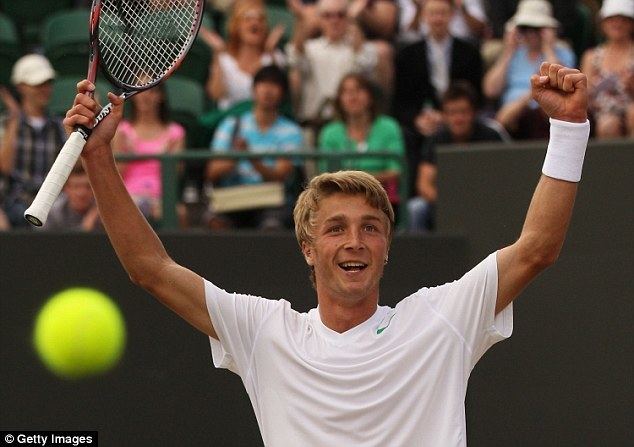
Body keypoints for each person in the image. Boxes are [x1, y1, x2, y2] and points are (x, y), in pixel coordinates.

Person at [65, 62, 590, 445]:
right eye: (336, 229)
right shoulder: (266, 332)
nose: (355, 242)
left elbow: (537, 250)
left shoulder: (439, 319)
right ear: (308, 250)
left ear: (387, 248)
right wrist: (99, 158)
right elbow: (150, 270)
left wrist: (568, 129)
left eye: (370, 228)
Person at [205, 65, 303, 230]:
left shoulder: (291, 131)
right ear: (253, 89)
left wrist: (251, 158)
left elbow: (280, 175)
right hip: (233, 198)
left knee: (272, 226)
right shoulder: (231, 125)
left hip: (271, 202)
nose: (268, 90)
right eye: (263, 83)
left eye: (274, 85)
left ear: (283, 93)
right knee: (215, 222)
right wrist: (236, 156)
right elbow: (212, 172)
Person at [407, 81, 509, 232]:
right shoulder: (436, 140)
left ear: (474, 112)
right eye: (452, 113)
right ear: (444, 115)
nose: (458, 118)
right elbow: (424, 185)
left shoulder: (491, 136)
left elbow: (505, 176)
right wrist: (449, 203)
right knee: (416, 208)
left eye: (463, 112)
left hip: (487, 202)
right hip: (443, 203)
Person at [285, 0, 389, 139]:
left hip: (350, 127)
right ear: (319, 19)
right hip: (315, 124)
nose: (334, 21)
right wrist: (301, 20)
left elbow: (365, 62)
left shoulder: (358, 49)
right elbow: (295, 59)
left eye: (341, 15)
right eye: (327, 16)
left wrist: (353, 21)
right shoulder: (311, 49)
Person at [483, 0, 576, 138]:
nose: (531, 34)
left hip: (547, 112)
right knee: (505, 116)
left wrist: (548, 48)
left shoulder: (562, 52)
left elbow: (562, 86)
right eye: (525, 28)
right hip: (513, 115)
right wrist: (508, 51)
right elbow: (490, 91)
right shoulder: (511, 53)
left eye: (537, 29)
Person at [318, 73, 405, 213]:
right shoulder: (330, 132)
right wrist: (368, 178)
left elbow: (395, 171)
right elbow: (327, 175)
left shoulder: (389, 127)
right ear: (339, 100)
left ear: (370, 96)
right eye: (346, 92)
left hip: (382, 199)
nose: (353, 96)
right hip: (340, 200)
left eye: (358, 90)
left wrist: (353, 180)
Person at [0, 55, 65, 228]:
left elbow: (77, 168)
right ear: (21, 87)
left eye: (47, 83)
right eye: (38, 84)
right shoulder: (6, 123)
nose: (45, 89)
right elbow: (4, 167)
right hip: (14, 200)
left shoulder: (59, 126)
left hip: (53, 200)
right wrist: (14, 119)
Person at [112, 83, 185, 222]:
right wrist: (128, 154)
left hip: (161, 200)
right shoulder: (121, 131)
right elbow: (116, 175)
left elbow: (175, 175)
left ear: (161, 96)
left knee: (180, 213)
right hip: (128, 198)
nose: (145, 96)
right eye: (140, 90)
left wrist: (166, 156)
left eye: (152, 91)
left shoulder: (175, 132)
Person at [201, 0, 286, 110]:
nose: (255, 24)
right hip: (231, 122)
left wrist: (271, 52)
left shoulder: (274, 57)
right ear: (236, 26)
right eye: (248, 19)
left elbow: (279, 94)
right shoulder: (224, 59)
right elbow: (216, 94)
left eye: (260, 20)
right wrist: (217, 53)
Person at [580, 0, 634, 138]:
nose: (617, 24)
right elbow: (583, 94)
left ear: (631, 23)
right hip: (601, 112)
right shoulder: (591, 57)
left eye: (623, 20)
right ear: (603, 24)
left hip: (630, 107)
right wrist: (592, 88)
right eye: (611, 20)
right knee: (608, 124)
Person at [43, 163, 101, 231]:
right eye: (76, 186)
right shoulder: (52, 213)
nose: (82, 193)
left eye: (88, 187)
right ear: (66, 188)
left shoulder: (104, 210)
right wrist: (85, 226)